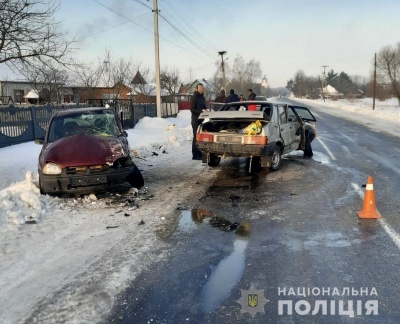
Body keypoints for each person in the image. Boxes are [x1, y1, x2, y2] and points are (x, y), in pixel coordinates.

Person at [190, 83, 207, 160]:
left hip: (201, 120)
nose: (201, 90)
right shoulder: (194, 97)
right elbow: (192, 109)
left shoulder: (202, 97)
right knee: (196, 137)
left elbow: (204, 107)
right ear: (196, 89)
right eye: (200, 88)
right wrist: (201, 111)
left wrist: (205, 110)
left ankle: (199, 153)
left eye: (202, 88)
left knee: (200, 138)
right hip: (195, 121)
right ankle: (195, 154)